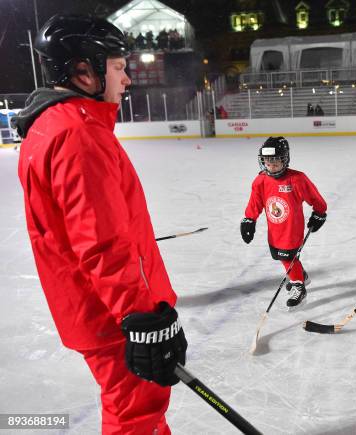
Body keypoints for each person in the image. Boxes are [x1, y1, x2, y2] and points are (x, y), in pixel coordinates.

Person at [11, 15, 187, 434]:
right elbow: (102, 242)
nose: (127, 79)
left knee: (141, 409)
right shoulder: (77, 134)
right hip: (114, 316)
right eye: (118, 66)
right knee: (135, 413)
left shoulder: (52, 126)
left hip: (98, 308)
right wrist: (141, 318)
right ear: (83, 70)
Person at [241, 137, 327, 308]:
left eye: (275, 162)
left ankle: (298, 285)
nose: (271, 166)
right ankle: (301, 275)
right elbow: (255, 203)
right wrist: (249, 219)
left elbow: (315, 197)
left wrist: (319, 212)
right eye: (267, 162)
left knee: (287, 256)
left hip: (291, 229)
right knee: (281, 255)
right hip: (274, 229)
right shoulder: (260, 180)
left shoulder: (297, 179)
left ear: (285, 159)